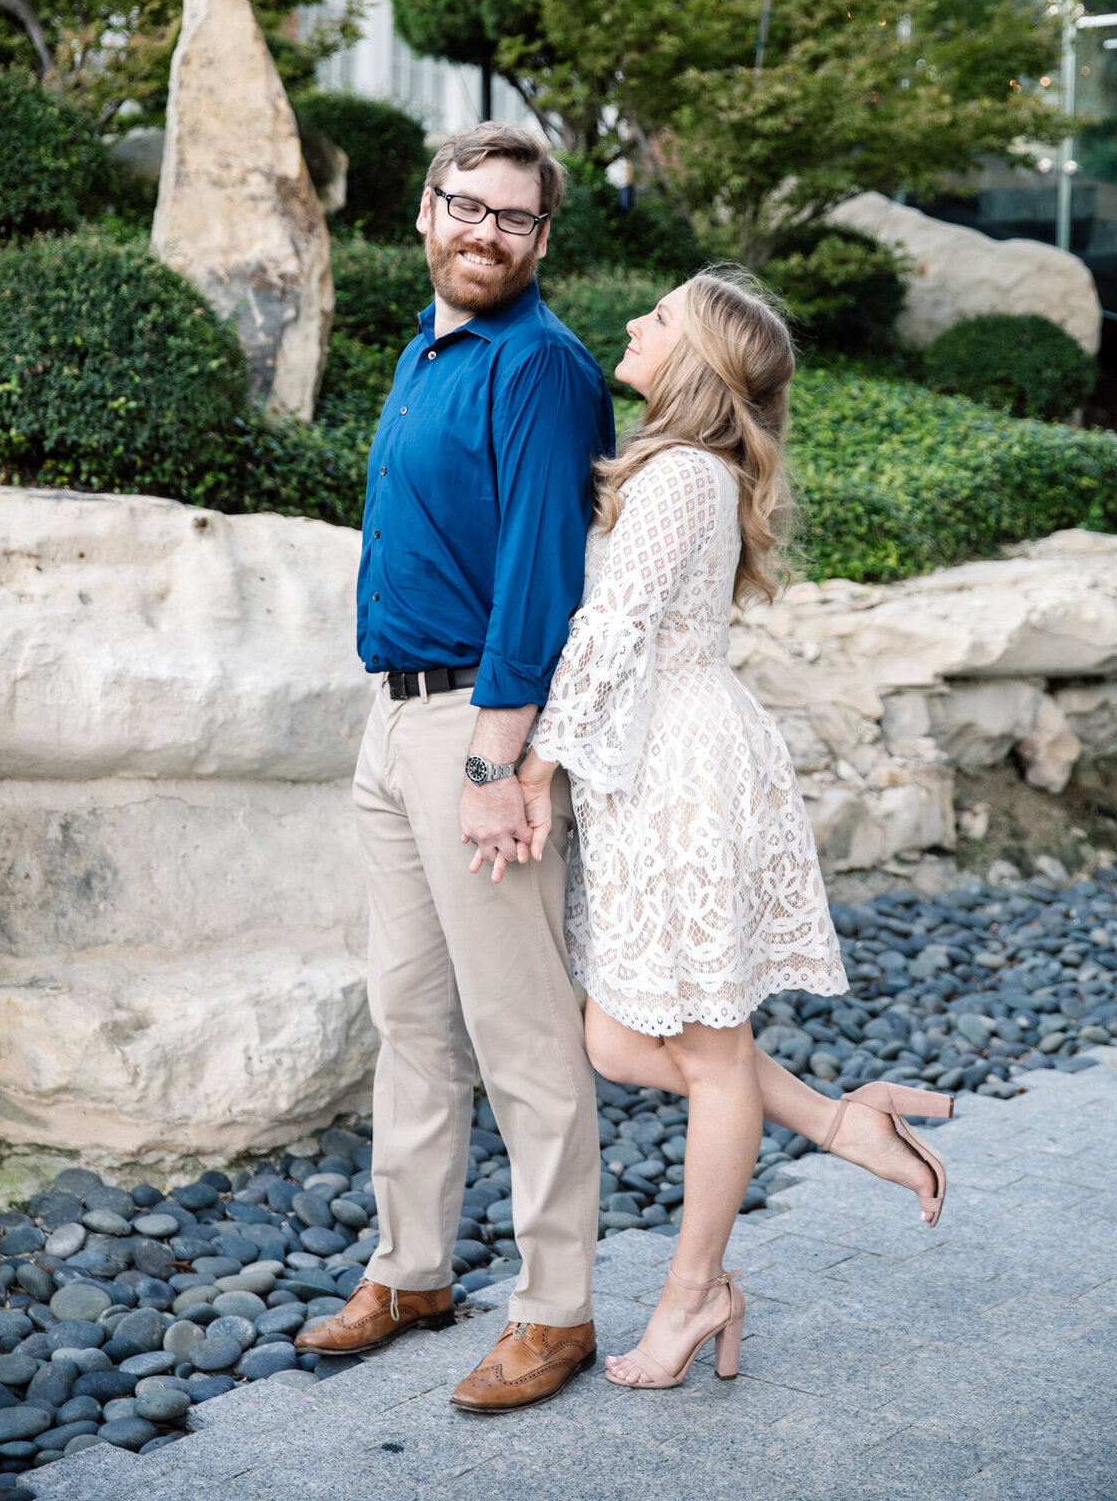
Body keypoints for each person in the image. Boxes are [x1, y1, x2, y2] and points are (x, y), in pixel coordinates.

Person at [515, 268, 953, 1392]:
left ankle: (696, 1292)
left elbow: (608, 639)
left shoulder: (678, 480)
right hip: (662, 764)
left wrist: (527, 768)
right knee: (619, 1039)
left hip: (680, 771)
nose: (634, 323)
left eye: (657, 318)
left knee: (707, 1056)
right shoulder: (693, 475)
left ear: (695, 358)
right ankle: (845, 1124)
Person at [296, 123, 615, 1413]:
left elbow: (542, 571)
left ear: (543, 241)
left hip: (480, 733)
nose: (486, 234)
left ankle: (555, 1310)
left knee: (522, 1029)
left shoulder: (540, 367)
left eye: (514, 220)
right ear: (425, 214)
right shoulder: (428, 347)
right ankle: (413, 1269)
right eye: (467, 209)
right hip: (394, 723)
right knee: (409, 1016)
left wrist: (499, 757)